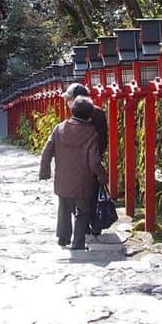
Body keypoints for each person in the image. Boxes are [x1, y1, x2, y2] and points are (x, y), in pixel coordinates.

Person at [39, 98, 108, 250]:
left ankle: (63, 238)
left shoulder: (59, 128)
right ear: (90, 116)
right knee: (83, 211)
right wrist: (102, 175)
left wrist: (45, 171)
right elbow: (94, 161)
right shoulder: (91, 133)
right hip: (83, 182)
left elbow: (47, 151)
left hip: (62, 179)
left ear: (72, 111)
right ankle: (78, 242)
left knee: (63, 209)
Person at [63, 82, 108, 160]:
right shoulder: (97, 111)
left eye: (70, 99)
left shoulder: (90, 113)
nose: (68, 102)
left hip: (87, 156)